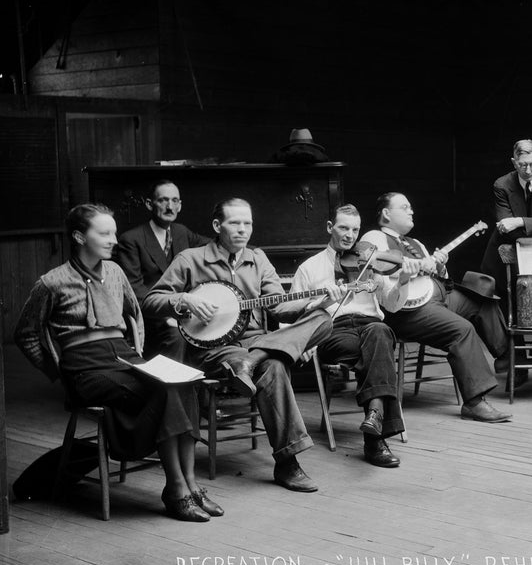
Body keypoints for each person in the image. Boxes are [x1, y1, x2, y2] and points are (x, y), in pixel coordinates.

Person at [15, 204, 220, 522]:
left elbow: (135, 313)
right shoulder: (51, 282)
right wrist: (57, 372)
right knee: (164, 391)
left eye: (114, 232)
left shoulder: (115, 272)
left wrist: (135, 350)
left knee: (184, 383)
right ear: (80, 236)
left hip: (125, 359)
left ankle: (192, 485)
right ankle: (175, 488)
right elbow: (26, 334)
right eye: (104, 233)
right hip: (87, 368)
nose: (113, 239)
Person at [144, 198, 332, 492]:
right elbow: (151, 301)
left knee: (322, 319)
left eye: (248, 223)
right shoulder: (190, 259)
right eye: (236, 223)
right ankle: (288, 462)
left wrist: (316, 302)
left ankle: (252, 360)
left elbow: (280, 309)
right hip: (215, 347)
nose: (243, 229)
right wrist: (185, 300)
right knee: (276, 365)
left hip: (257, 340)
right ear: (218, 226)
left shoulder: (258, 260)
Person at [361, 192, 513, 423]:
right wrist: (409, 268)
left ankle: (505, 357)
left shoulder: (416, 244)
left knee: (483, 300)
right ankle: (474, 403)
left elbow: (435, 275)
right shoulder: (374, 237)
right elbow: (373, 264)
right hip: (406, 310)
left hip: (438, 296)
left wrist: (440, 266)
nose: (411, 211)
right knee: (462, 330)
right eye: (405, 207)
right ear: (386, 213)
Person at [290, 204, 406, 468]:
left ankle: (374, 420)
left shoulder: (369, 263)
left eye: (355, 229)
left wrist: (403, 282)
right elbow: (295, 312)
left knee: (378, 331)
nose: (350, 235)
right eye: (343, 228)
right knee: (379, 344)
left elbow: (392, 304)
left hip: (371, 327)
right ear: (330, 227)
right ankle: (376, 437)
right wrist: (319, 305)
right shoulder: (310, 267)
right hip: (334, 331)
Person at [114, 180, 209, 360]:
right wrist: (167, 315)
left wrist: (253, 250)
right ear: (150, 204)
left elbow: (212, 246)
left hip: (184, 312)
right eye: (163, 200)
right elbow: (134, 291)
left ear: (180, 206)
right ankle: (174, 387)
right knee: (177, 335)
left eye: (175, 201)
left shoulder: (181, 232)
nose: (170, 206)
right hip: (152, 318)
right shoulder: (131, 239)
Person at [479, 139, 532, 289]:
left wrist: (519, 221)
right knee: (510, 292)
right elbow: (507, 231)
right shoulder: (502, 185)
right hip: (507, 250)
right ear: (514, 162)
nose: (529, 171)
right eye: (522, 165)